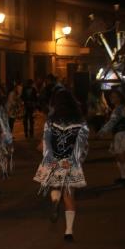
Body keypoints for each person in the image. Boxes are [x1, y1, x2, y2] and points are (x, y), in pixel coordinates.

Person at [33, 89, 89, 241]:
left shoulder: (51, 121)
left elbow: (46, 142)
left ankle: (55, 200)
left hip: (54, 160)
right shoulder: (80, 122)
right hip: (71, 161)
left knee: (55, 186)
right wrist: (77, 160)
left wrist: (47, 157)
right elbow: (82, 145)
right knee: (70, 197)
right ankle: (69, 231)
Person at [98, 88, 125, 185]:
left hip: (122, 135)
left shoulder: (119, 109)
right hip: (121, 134)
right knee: (118, 156)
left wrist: (102, 132)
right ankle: (124, 177)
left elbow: (112, 122)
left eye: (114, 97)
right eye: (111, 96)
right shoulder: (121, 108)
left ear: (120, 98)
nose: (112, 98)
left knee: (121, 157)